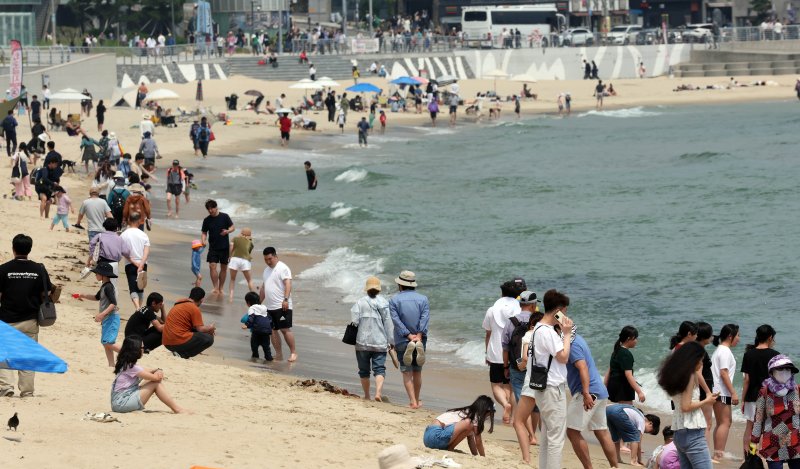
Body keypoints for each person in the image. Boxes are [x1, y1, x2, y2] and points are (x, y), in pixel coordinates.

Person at [518, 289, 573, 468]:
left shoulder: (538, 329)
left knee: (549, 436)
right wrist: (566, 334)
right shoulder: (548, 331)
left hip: (542, 388)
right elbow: (563, 357)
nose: (565, 315)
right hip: (552, 389)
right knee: (556, 438)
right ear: (559, 310)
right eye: (564, 311)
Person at [0, 234, 53, 397]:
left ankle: (6, 387)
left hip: (7, 318)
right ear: (29, 249)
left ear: (13, 248)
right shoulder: (39, 269)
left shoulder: (4, 269)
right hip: (30, 319)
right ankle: (27, 391)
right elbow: (48, 292)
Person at [658, 341, 718, 468]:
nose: (702, 364)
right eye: (700, 360)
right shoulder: (689, 377)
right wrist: (706, 401)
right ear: (693, 360)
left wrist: (707, 393)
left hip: (679, 432)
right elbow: (686, 406)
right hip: (693, 433)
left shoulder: (676, 375)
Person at [566, 330, 619, 469]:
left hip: (589, 392)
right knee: (601, 431)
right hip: (599, 391)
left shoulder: (572, 345)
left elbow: (583, 367)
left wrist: (585, 393)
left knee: (572, 431)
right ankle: (614, 466)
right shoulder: (578, 339)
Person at [482, 277, 525, 424]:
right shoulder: (520, 310)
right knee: (510, 386)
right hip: (513, 353)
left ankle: (505, 404)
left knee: (496, 385)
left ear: (501, 294)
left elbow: (488, 334)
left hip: (495, 352)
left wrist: (487, 353)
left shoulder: (492, 310)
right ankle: (513, 416)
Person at [111, 336, 187, 413]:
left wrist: (158, 369)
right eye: (142, 348)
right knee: (155, 384)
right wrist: (158, 373)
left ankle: (177, 409)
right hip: (121, 403)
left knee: (149, 381)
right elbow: (156, 378)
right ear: (135, 349)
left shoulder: (127, 364)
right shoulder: (132, 367)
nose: (143, 350)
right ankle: (177, 409)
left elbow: (147, 371)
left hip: (119, 401)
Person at [750, 354, 800, 469]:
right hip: (773, 444)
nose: (785, 372)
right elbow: (758, 420)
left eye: (788, 369)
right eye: (781, 369)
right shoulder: (765, 392)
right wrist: (753, 443)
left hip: (796, 443)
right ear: (771, 372)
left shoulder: (797, 390)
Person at [506, 293, 542, 449]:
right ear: (534, 305)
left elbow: (505, 346)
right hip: (537, 368)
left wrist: (505, 366)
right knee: (535, 404)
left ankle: (531, 435)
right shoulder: (540, 321)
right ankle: (533, 434)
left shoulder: (512, 321)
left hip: (517, 366)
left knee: (522, 401)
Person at [389, 270, 430, 409]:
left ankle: (412, 401)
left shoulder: (394, 300)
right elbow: (424, 318)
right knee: (417, 371)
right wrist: (418, 335)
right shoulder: (423, 299)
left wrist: (408, 335)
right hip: (419, 340)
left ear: (400, 285)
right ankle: (417, 400)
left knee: (407, 372)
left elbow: (396, 320)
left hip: (402, 340)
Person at [351, 276, 394, 401]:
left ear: (366, 289)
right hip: (380, 341)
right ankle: (378, 393)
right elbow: (388, 324)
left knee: (364, 371)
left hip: (362, 342)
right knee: (379, 368)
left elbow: (354, 320)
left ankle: (367, 395)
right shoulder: (384, 303)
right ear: (379, 290)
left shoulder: (360, 302)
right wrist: (391, 341)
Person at [740, 324, 779, 458]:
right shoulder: (775, 355)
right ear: (770, 338)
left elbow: (746, 380)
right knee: (768, 428)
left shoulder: (748, 354)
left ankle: (750, 457)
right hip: (769, 397)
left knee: (750, 428)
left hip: (752, 397)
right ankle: (767, 456)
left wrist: (743, 399)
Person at [74, 261, 121, 366]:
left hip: (112, 318)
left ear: (103, 275)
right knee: (106, 343)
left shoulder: (108, 287)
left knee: (108, 343)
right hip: (108, 318)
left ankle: (128, 354)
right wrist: (82, 295)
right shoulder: (104, 286)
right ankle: (111, 365)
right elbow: (96, 297)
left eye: (97, 273)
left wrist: (102, 314)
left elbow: (114, 303)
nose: (95, 275)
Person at [258, 247, 297, 362]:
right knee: (272, 330)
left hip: (282, 305)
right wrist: (258, 303)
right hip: (270, 307)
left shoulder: (282, 268)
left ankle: (293, 353)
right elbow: (264, 287)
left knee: (285, 329)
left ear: (275, 256)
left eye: (270, 259)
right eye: (266, 259)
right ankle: (279, 354)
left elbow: (288, 284)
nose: (268, 262)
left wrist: (285, 299)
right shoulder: (266, 270)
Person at [423, 396, 495, 456]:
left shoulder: (467, 412)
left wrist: (475, 455)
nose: (488, 416)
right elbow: (478, 442)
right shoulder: (474, 417)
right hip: (435, 437)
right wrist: (483, 457)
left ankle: (450, 447)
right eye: (489, 413)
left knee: (469, 428)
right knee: (468, 423)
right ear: (485, 410)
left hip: (427, 438)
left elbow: (471, 440)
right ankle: (450, 448)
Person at [711, 323, 740, 461]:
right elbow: (723, 373)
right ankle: (718, 453)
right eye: (737, 335)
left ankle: (717, 452)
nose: (738, 339)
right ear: (730, 336)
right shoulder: (725, 351)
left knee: (721, 422)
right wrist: (733, 392)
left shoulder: (719, 350)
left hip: (716, 391)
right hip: (721, 391)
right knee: (725, 422)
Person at [162, 287, 215, 358]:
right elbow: (200, 329)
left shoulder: (179, 303)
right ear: (202, 299)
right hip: (176, 342)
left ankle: (180, 353)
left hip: (166, 342)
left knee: (201, 333)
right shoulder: (194, 308)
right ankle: (183, 355)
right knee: (209, 338)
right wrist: (211, 327)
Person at [200, 199, 235, 295]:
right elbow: (204, 232)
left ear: (216, 207)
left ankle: (221, 288)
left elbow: (232, 227)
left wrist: (227, 231)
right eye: (208, 209)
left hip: (224, 247)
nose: (210, 210)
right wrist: (203, 240)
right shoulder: (207, 220)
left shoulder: (224, 217)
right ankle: (215, 287)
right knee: (212, 266)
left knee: (223, 268)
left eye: (212, 208)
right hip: (213, 247)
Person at [605, 326, 645, 404]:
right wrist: (639, 392)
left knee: (620, 411)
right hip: (622, 388)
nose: (636, 341)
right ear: (629, 338)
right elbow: (628, 375)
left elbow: (609, 370)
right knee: (627, 412)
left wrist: (604, 386)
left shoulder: (616, 351)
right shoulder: (626, 354)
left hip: (614, 386)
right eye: (635, 338)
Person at [120, 212, 150, 309]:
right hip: (143, 264)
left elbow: (123, 252)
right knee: (140, 288)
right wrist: (141, 264)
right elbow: (146, 251)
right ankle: (139, 308)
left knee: (132, 287)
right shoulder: (144, 235)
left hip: (130, 264)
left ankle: (137, 308)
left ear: (129, 220)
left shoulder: (124, 234)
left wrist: (133, 261)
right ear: (138, 221)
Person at [695, 322, 715, 440]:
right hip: (703, 387)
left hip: (698, 388)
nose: (712, 337)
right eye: (710, 334)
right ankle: (704, 454)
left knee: (699, 422)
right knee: (706, 423)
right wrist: (708, 392)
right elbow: (698, 373)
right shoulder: (700, 351)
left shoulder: (693, 348)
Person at [241, 291, 273, 362]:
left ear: (248, 302)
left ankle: (255, 356)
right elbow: (269, 318)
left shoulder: (252, 308)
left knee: (254, 345)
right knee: (266, 347)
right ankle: (269, 359)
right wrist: (271, 326)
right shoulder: (264, 307)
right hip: (266, 331)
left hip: (257, 330)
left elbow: (251, 318)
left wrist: (246, 325)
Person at [228, 228, 255, 299]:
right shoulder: (250, 242)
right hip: (245, 260)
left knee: (232, 279)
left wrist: (230, 256)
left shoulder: (235, 238)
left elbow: (231, 247)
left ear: (241, 233)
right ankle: (254, 296)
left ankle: (231, 297)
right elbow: (248, 252)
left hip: (235, 259)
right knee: (249, 280)